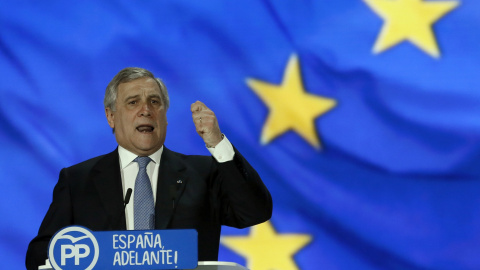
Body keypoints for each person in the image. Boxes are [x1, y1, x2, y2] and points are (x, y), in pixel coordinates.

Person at [25, 67, 272, 270]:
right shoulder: (78, 180)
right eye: (133, 102)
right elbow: (39, 254)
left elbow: (255, 211)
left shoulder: (203, 172)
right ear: (111, 116)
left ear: (165, 116)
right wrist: (82, 255)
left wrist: (218, 144)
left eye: (155, 102)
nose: (146, 110)